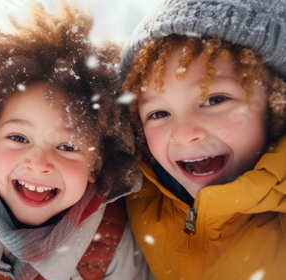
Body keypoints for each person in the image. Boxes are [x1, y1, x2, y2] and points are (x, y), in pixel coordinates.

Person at [0, 1, 150, 279]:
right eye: (18, 137)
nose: (39, 164)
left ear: (94, 168)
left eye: (67, 146)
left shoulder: (108, 237)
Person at [118, 0, 286, 278]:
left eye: (214, 100)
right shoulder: (139, 190)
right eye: (159, 113)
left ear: (275, 100)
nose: (184, 134)